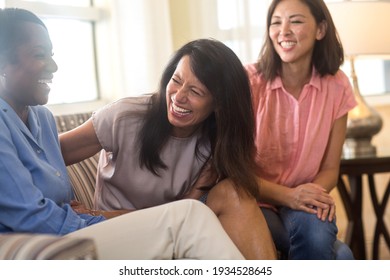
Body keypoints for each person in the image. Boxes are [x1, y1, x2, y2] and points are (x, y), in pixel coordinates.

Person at [0, 7, 251, 260]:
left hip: (74, 232)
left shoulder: (42, 118)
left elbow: (61, 198)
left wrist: (104, 218)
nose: (54, 65)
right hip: (46, 243)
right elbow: (32, 219)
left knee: (200, 213)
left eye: (196, 92)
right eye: (39, 54)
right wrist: (105, 219)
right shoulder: (126, 117)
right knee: (188, 218)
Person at [59, 39, 276, 259]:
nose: (178, 96)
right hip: (114, 226)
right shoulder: (124, 117)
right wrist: (55, 209)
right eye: (176, 80)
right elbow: (48, 152)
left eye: (195, 91)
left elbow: (182, 214)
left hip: (171, 228)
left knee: (235, 192)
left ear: (218, 104)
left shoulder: (215, 141)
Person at [245, 0, 357, 259]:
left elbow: (330, 169)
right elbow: (232, 170)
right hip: (253, 200)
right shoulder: (248, 83)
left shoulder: (337, 86)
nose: (283, 31)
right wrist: (290, 196)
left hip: (303, 200)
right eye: (276, 22)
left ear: (320, 30)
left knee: (327, 243)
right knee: (343, 257)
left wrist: (308, 195)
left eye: (295, 21)